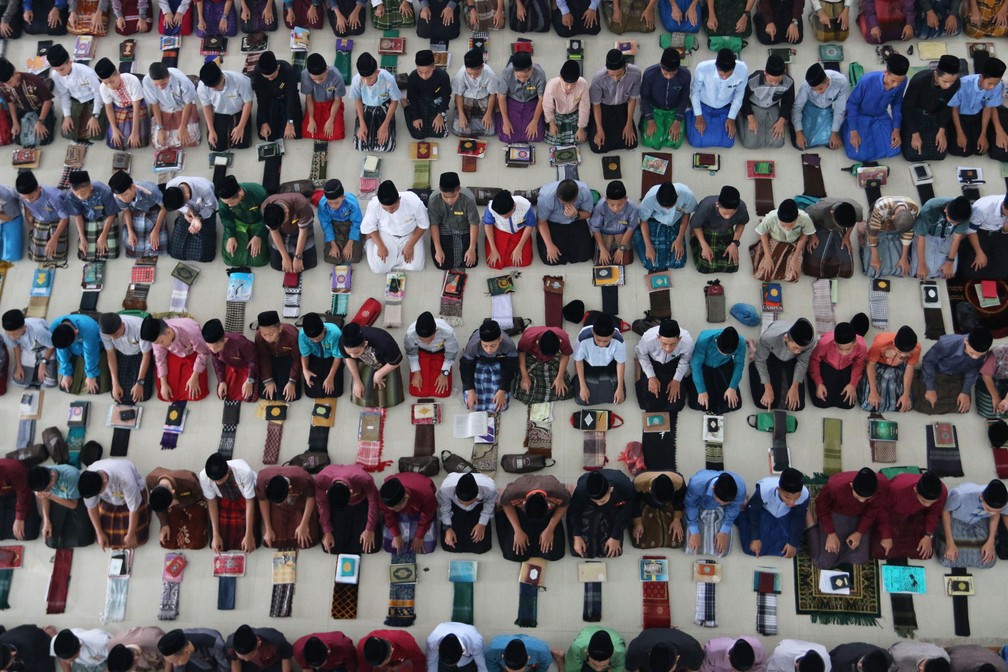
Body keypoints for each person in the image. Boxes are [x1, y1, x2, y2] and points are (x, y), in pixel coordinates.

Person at [806, 467, 889, 569]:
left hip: (860, 516)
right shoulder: (835, 485)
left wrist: (859, 533)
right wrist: (831, 534)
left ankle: (839, 552)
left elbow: (872, 511)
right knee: (823, 563)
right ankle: (808, 517)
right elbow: (822, 507)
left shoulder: (883, 485)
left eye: (867, 499)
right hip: (837, 514)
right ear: (851, 485)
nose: (862, 501)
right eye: (858, 497)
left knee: (861, 559)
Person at [842, 53, 908, 161]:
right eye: (893, 81)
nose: (896, 85)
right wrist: (853, 132)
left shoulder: (903, 81)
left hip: (880, 116)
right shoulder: (867, 81)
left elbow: (897, 103)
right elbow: (852, 104)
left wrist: (896, 129)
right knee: (857, 154)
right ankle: (847, 128)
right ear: (886, 72)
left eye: (899, 81)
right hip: (860, 115)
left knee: (894, 149)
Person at [912, 327, 991, 414]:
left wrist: (965, 392)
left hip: (957, 376)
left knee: (962, 407)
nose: (975, 357)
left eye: (979, 355)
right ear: (966, 341)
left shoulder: (982, 352)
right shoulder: (946, 343)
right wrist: (930, 388)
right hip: (938, 372)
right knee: (925, 403)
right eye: (972, 353)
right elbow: (928, 362)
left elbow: (972, 370)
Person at [871, 470, 945, 560]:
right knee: (880, 551)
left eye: (931, 502)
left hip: (917, 515)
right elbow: (882, 509)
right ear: (915, 490)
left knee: (924, 553)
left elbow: (934, 513)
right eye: (923, 501)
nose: (927, 505)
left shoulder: (942, 492)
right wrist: (885, 534)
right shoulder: (897, 489)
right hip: (892, 514)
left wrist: (928, 536)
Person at [79, 458, 151, 550]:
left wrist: (131, 534)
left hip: (133, 494)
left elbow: (133, 508)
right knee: (103, 538)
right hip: (110, 499)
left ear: (104, 481)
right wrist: (99, 533)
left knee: (138, 538)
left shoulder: (124, 478)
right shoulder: (88, 479)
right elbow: (91, 507)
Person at [737, 467, 808, 558]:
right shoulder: (765, 489)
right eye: (787, 497)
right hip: (765, 511)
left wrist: (792, 543)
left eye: (796, 498)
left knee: (790, 549)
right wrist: (755, 538)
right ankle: (743, 510)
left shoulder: (805, 495)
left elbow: (798, 517)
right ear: (778, 489)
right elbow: (753, 511)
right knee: (750, 547)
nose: (792, 502)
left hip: (786, 514)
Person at [360, 180, 430, 273]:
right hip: (387, 234)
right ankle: (370, 242)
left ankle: (394, 260)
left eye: (393, 208)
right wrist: (380, 245)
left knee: (417, 267)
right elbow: (368, 227)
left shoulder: (413, 202)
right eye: (385, 208)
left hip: (410, 233)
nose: (389, 211)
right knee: (378, 269)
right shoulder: (374, 205)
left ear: (399, 199)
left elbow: (423, 224)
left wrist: (410, 245)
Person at [496, 473, 569, 561]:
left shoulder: (560, 493)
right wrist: (517, 530)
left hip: (546, 515)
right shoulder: (512, 492)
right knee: (514, 554)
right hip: (521, 513)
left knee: (554, 554)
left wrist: (550, 529)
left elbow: (564, 505)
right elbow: (506, 505)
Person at [901, 55, 960, 161]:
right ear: (936, 74)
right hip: (916, 114)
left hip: (934, 114)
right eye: (945, 81)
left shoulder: (955, 84)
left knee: (940, 153)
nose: (948, 86)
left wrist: (942, 130)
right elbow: (907, 108)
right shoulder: (919, 81)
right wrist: (914, 133)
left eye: (952, 82)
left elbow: (946, 107)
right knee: (912, 154)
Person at [938, 479, 1008, 568]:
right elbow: (945, 511)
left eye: (997, 511)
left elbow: (995, 515)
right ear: (981, 497)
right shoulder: (961, 496)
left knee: (988, 561)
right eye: (989, 510)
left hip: (979, 520)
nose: (992, 513)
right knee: (947, 560)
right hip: (956, 519)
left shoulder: (1004, 498)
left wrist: (991, 541)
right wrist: (949, 543)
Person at [749, 318, 816, 411]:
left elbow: (802, 362)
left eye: (801, 349)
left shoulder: (810, 342)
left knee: (797, 406)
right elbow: (760, 361)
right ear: (786, 338)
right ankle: (754, 350)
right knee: (762, 402)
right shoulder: (768, 338)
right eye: (795, 347)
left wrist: (794, 386)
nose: (798, 352)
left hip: (791, 360)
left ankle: (756, 351)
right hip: (771, 355)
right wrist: (768, 388)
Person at [686, 49, 748, 148]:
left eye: (728, 75)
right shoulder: (703, 68)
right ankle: (689, 111)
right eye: (721, 74)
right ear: (716, 66)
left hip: (725, 106)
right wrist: (698, 115)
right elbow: (695, 92)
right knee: (696, 141)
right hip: (703, 104)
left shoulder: (742, 70)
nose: (724, 77)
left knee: (728, 142)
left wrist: (731, 118)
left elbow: (739, 94)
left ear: (734, 68)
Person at [140, 316, 211, 402]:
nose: (160, 345)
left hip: (193, 352)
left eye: (161, 342)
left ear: (169, 332)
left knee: (196, 392)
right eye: (157, 343)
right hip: (173, 353)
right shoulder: (158, 340)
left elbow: (204, 352)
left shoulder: (191, 332)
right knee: (165, 392)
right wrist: (164, 383)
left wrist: (194, 377)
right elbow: (160, 359)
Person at [315, 463, 381, 554]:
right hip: (337, 504)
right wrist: (327, 531)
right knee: (332, 546)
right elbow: (322, 505)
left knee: (371, 545)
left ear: (351, 491)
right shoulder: (321, 480)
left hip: (361, 501)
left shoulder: (364, 479)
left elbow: (374, 503)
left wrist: (370, 529)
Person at [46, 44, 106, 143]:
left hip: (92, 100)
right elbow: (64, 95)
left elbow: (98, 94)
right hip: (75, 100)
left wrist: (95, 116)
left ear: (70, 62)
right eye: (56, 70)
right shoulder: (55, 74)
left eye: (61, 69)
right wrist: (67, 116)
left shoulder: (87, 73)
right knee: (67, 133)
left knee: (96, 135)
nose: (60, 73)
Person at [567, 469, 634, 558]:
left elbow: (624, 513)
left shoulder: (624, 488)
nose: (599, 504)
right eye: (595, 501)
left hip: (617, 486)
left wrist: (615, 537)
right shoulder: (581, 490)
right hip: (586, 486)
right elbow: (574, 512)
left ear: (611, 489)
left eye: (602, 501)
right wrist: (576, 536)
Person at [948, 58, 1007, 157]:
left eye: (995, 84)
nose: (992, 87)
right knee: (959, 150)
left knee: (980, 150)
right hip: (960, 115)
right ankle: (962, 68)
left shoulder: (997, 86)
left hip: (978, 114)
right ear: (981, 77)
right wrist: (960, 133)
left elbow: (988, 108)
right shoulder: (962, 84)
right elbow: (954, 109)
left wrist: (983, 134)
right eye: (990, 83)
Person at [200, 454, 258, 553]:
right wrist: (215, 534)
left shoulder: (244, 472)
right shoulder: (204, 476)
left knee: (253, 538)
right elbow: (212, 502)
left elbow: (249, 501)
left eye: (220, 479)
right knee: (220, 540)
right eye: (215, 480)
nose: (217, 483)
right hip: (224, 499)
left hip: (244, 497)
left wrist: (249, 534)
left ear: (228, 471)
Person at [634, 182, 698, 272]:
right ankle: (637, 233)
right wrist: (648, 246)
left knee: (678, 262)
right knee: (651, 264)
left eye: (670, 206)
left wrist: (679, 239)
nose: (667, 209)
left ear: (678, 196)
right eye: (663, 207)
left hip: (676, 220)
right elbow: (643, 220)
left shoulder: (687, 195)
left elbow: (686, 213)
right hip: (654, 220)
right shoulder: (650, 198)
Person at [28, 463, 96, 548]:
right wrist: (46, 521)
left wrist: (50, 495)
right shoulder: (40, 480)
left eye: (49, 488)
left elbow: (73, 504)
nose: (48, 490)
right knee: (51, 541)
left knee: (85, 538)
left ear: (52, 476)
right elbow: (44, 497)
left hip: (77, 500)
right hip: (57, 498)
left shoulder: (71, 476)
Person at [588, 49, 642, 154]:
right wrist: (599, 129)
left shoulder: (635, 74)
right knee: (597, 146)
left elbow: (632, 99)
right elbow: (596, 105)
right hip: (604, 107)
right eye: (611, 75)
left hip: (623, 106)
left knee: (631, 143)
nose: (615, 78)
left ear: (625, 66)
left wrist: (629, 124)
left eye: (619, 74)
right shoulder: (598, 78)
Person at [340, 323, 405, 408]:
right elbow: (348, 358)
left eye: (356, 352)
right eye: (349, 352)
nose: (353, 356)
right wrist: (357, 381)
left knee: (391, 397)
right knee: (361, 397)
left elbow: (396, 361)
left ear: (365, 343)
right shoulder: (342, 342)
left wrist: (379, 374)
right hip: (364, 361)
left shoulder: (384, 342)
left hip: (385, 362)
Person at [634, 320, 693, 412]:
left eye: (673, 344)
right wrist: (651, 376)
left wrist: (676, 379)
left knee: (676, 405)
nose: (668, 348)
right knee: (647, 404)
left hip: (673, 362)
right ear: (658, 337)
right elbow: (641, 355)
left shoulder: (687, 341)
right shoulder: (647, 339)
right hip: (653, 361)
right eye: (664, 343)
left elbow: (685, 360)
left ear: (679, 339)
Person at [108, 168, 168, 259]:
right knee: (132, 246)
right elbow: (126, 211)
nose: (123, 198)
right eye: (120, 196)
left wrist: (156, 230)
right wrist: (130, 231)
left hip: (154, 208)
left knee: (159, 245)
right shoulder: (117, 196)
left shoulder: (150, 190)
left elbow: (164, 208)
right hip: (135, 209)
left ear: (133, 187)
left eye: (125, 195)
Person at [750, 198, 815, 282]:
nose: (787, 228)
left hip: (794, 243)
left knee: (793, 276)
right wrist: (768, 257)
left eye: (791, 225)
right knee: (762, 274)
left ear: (798, 216)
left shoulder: (804, 218)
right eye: (783, 225)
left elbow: (804, 235)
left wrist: (795, 258)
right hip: (775, 240)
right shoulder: (771, 217)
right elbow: (762, 234)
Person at [684, 469, 746, 556]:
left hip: (724, 504)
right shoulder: (696, 484)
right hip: (701, 500)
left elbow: (734, 508)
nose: (722, 504)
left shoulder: (740, 488)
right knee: (690, 547)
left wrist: (724, 531)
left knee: (722, 551)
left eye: (726, 503)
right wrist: (694, 532)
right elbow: (690, 505)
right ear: (713, 488)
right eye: (721, 501)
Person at [256, 465, 320, 549]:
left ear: (290, 489)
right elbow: (263, 500)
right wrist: (268, 528)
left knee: (307, 538)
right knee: (272, 538)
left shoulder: (303, 479)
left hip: (299, 499)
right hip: (278, 500)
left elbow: (311, 498)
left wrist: (304, 525)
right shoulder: (262, 480)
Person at [460, 319, 517, 412]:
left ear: (500, 339)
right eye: (485, 345)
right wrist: (470, 389)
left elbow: (510, 368)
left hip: (499, 362)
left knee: (500, 404)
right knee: (473, 403)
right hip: (479, 361)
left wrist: (502, 389)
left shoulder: (508, 345)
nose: (489, 350)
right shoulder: (473, 345)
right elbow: (466, 367)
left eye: (493, 346)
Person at [639, 48, 691, 150]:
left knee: (675, 142)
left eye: (673, 73)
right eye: (665, 73)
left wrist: (677, 121)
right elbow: (644, 97)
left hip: (674, 109)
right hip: (654, 109)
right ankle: (643, 122)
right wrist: (650, 120)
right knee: (651, 140)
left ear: (678, 68)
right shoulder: (649, 74)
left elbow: (684, 98)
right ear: (660, 65)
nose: (668, 76)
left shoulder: (685, 75)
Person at [910, 195, 973, 279]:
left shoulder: (966, 212)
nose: (954, 225)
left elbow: (956, 238)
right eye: (952, 221)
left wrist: (950, 262)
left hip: (948, 236)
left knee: (950, 272)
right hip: (928, 235)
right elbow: (921, 237)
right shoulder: (930, 208)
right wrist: (922, 265)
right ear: (946, 210)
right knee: (916, 271)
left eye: (957, 223)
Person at [858, 326, 920, 412]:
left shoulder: (916, 348)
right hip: (879, 363)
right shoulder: (880, 343)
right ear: (894, 344)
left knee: (904, 405)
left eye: (907, 354)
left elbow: (909, 368)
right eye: (899, 352)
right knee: (869, 404)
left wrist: (906, 395)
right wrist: (873, 391)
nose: (902, 356)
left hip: (898, 367)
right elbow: (871, 364)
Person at [738, 54, 793, 149]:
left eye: (778, 80)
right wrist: (750, 117)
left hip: (773, 107)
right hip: (753, 106)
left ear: (783, 73)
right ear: (765, 72)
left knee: (778, 143)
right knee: (750, 144)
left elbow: (788, 102)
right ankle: (739, 118)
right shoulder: (752, 81)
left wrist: (781, 120)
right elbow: (742, 99)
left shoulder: (789, 82)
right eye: (771, 80)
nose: (774, 84)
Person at [15, 171, 72, 263]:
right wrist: (29, 219)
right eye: (25, 198)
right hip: (40, 218)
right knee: (36, 256)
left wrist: (54, 238)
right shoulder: (22, 196)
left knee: (57, 254)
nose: (29, 201)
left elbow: (65, 218)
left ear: (39, 189)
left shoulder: (53, 197)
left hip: (57, 219)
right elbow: (26, 206)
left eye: (32, 197)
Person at [147, 466, 209, 550]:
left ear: (173, 492)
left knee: (198, 539)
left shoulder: (189, 481)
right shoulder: (150, 480)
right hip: (172, 500)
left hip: (190, 498)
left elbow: (199, 496)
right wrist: (164, 524)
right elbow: (158, 505)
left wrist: (179, 502)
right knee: (168, 541)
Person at [807, 322, 867, 409]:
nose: (844, 352)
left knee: (848, 404)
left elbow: (859, 365)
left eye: (848, 349)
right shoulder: (824, 343)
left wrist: (852, 384)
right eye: (840, 349)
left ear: (855, 343)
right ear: (835, 343)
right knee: (821, 402)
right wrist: (818, 383)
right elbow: (814, 361)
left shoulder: (861, 346)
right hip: (827, 364)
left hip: (847, 366)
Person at [143, 61, 201, 150]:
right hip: (164, 106)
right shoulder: (146, 82)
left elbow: (187, 103)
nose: (160, 87)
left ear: (169, 76)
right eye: (156, 84)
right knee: (159, 144)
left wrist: (182, 127)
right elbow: (154, 104)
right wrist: (160, 128)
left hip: (183, 105)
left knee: (192, 139)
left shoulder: (181, 81)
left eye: (163, 83)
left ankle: (193, 81)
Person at [687, 327, 745, 414]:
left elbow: (739, 365)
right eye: (721, 351)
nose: (724, 354)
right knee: (697, 403)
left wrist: (732, 387)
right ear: (716, 341)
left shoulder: (741, 343)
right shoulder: (704, 340)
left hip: (724, 363)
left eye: (727, 353)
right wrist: (701, 391)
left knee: (733, 404)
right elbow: (696, 365)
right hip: (705, 363)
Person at [535, 178, 594, 265]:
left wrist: (576, 214)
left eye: (572, 201)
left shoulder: (584, 192)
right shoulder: (546, 198)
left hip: (576, 219)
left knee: (586, 255)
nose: (568, 205)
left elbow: (588, 214)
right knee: (550, 259)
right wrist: (549, 245)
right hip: (553, 222)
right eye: (564, 202)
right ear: (558, 196)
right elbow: (541, 222)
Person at [690, 186, 748, 274]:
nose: (728, 217)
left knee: (732, 266)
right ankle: (694, 238)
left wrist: (734, 244)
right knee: (704, 267)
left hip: (726, 230)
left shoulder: (741, 207)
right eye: (725, 213)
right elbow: (695, 225)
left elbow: (742, 223)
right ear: (718, 205)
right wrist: (704, 245)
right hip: (707, 228)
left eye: (732, 214)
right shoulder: (706, 205)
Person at [197, 61, 254, 151]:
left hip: (239, 110)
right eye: (212, 88)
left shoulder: (240, 80)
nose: (216, 89)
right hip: (219, 112)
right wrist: (211, 130)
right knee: (216, 146)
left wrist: (241, 127)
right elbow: (207, 107)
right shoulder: (202, 87)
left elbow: (248, 102)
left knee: (242, 143)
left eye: (217, 86)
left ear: (222, 77)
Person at [791, 63, 849, 150]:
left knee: (831, 140)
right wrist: (799, 133)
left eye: (820, 89)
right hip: (810, 105)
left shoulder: (841, 83)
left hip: (827, 107)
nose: (817, 92)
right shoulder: (806, 86)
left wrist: (834, 133)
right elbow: (796, 108)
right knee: (804, 141)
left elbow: (840, 109)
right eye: (814, 90)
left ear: (828, 81)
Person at [66, 170, 121, 261]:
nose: (80, 197)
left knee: (112, 253)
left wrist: (103, 236)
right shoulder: (70, 196)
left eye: (83, 193)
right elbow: (78, 215)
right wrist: (82, 238)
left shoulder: (105, 192)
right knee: (85, 254)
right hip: (86, 217)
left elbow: (112, 214)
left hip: (105, 216)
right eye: (77, 194)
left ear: (90, 187)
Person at [216, 175, 270, 267]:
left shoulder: (259, 193)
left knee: (259, 260)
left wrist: (258, 235)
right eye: (227, 204)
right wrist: (230, 236)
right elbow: (225, 217)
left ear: (240, 193)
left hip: (258, 222)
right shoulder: (225, 199)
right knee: (231, 259)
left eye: (232, 203)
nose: (230, 206)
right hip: (238, 222)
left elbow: (268, 216)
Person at [95, 58, 149, 149]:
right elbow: (108, 108)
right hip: (119, 107)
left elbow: (137, 106)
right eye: (106, 83)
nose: (110, 86)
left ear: (118, 74)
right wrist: (114, 129)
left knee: (140, 139)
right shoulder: (103, 88)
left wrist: (135, 133)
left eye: (112, 81)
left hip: (136, 106)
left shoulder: (132, 80)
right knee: (115, 142)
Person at [429, 172, 479, 270]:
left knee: (470, 263)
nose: (449, 201)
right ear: (440, 191)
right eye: (445, 197)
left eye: (453, 196)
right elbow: (434, 225)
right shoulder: (433, 199)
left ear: (459, 190)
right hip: (444, 228)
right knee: (443, 265)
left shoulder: (468, 199)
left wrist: (471, 248)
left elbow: (474, 224)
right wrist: (438, 249)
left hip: (464, 228)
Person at [100, 312, 154, 404]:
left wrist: (139, 382)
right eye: (111, 336)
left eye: (116, 335)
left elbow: (146, 355)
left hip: (140, 354)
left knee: (142, 394)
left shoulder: (139, 328)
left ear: (122, 325)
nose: (114, 338)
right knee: (118, 395)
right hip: (122, 353)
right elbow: (111, 353)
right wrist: (115, 383)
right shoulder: (104, 331)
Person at [858, 196, 918, 278]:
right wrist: (875, 257)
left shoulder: (913, 209)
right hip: (877, 230)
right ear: (892, 217)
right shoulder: (881, 208)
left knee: (901, 270)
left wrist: (904, 258)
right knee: (871, 271)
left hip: (896, 233)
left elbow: (908, 234)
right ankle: (862, 231)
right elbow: (872, 234)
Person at [0, 58, 55, 146]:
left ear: (15, 73)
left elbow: (47, 100)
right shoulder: (3, 86)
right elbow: (10, 102)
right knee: (17, 140)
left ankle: (45, 86)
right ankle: (46, 86)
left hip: (40, 107)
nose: (8, 86)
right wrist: (15, 122)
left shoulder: (32, 80)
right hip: (22, 108)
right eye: (5, 84)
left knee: (45, 139)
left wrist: (40, 122)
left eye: (9, 82)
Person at [573, 314, 626, 405]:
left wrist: (620, 388)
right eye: (598, 340)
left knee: (618, 397)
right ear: (593, 332)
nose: (601, 344)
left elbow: (620, 363)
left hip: (609, 364)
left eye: (606, 341)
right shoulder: (583, 338)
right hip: (588, 363)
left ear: (612, 334)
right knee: (582, 399)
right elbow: (578, 361)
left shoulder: (619, 340)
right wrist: (582, 386)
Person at [162, 175, 218, 262]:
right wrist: (186, 210)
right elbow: (179, 207)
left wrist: (199, 217)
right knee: (176, 251)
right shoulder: (170, 186)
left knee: (206, 253)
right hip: (188, 211)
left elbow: (212, 207)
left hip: (205, 208)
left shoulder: (205, 189)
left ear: (187, 196)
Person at [378, 473, 437, 554]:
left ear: (406, 497)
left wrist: (419, 536)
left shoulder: (426, 495)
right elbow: (388, 514)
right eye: (393, 509)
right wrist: (396, 535)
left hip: (421, 492)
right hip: (402, 485)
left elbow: (428, 514)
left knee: (428, 546)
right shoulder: (384, 497)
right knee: (391, 546)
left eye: (398, 508)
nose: (396, 511)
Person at [438, 472, 497, 554]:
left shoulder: (489, 488)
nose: (466, 505)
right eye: (462, 502)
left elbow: (489, 505)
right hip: (455, 505)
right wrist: (447, 528)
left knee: (481, 546)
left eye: (469, 502)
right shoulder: (446, 489)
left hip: (477, 506)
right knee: (449, 544)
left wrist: (482, 524)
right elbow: (444, 509)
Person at [201, 319, 258, 402]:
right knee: (226, 393)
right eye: (210, 347)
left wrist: (249, 380)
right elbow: (217, 364)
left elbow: (253, 361)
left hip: (248, 365)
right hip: (232, 365)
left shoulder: (241, 343)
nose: (213, 351)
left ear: (223, 339)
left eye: (217, 347)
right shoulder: (213, 349)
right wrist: (221, 381)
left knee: (248, 395)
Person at [494, 52, 546, 144]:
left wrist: (534, 121)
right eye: (518, 77)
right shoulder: (506, 73)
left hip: (532, 101)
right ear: (514, 70)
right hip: (512, 100)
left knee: (537, 135)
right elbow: (501, 98)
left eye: (526, 76)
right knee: (506, 136)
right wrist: (505, 120)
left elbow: (541, 99)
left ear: (531, 69)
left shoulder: (540, 74)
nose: (522, 80)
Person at [404, 311, 458, 398]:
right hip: (422, 352)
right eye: (421, 340)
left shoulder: (448, 333)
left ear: (436, 331)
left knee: (443, 392)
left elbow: (451, 354)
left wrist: (444, 374)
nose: (426, 343)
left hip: (441, 352)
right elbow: (411, 353)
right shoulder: (410, 334)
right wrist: (416, 372)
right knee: (417, 391)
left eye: (429, 340)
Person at [51, 313, 109, 394]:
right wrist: (66, 373)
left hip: (95, 345)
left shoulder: (88, 329)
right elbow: (61, 350)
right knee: (65, 385)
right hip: (75, 349)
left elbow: (91, 353)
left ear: (76, 332)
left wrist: (91, 375)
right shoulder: (54, 326)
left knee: (98, 386)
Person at [251, 51, 302, 142]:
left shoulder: (287, 70)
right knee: (267, 135)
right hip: (270, 99)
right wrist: (264, 122)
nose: (270, 79)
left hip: (286, 98)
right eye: (267, 77)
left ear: (278, 67)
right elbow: (261, 98)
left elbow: (292, 96)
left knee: (296, 132)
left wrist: (290, 122)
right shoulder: (257, 73)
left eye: (272, 76)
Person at [514, 325, 572, 404]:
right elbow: (521, 353)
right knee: (524, 392)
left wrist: (560, 377)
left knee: (563, 391)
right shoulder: (528, 337)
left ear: (560, 341)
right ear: (537, 343)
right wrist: (524, 376)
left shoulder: (563, 337)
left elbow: (565, 354)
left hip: (553, 359)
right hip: (532, 357)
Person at [803, 198, 860, 278]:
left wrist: (847, 236)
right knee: (812, 267)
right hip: (820, 227)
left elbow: (852, 222)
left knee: (846, 270)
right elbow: (807, 222)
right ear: (832, 213)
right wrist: (812, 236)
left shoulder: (856, 209)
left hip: (839, 232)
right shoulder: (816, 210)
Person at [262, 191, 318, 272]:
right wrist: (285, 257)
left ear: (286, 211)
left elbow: (303, 231)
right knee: (276, 264)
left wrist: (298, 256)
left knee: (310, 263)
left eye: (282, 222)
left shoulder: (301, 203)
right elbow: (274, 231)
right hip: (281, 231)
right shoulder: (265, 207)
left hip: (301, 227)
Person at [630, 471, 685, 549]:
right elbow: (634, 502)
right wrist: (637, 523)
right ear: (649, 489)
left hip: (667, 499)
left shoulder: (679, 482)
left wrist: (677, 519)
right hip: (646, 498)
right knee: (642, 538)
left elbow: (680, 498)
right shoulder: (638, 483)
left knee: (675, 537)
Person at [405, 50, 452, 140]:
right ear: (416, 68)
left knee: (440, 132)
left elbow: (446, 96)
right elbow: (412, 98)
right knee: (418, 134)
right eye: (420, 72)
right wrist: (416, 117)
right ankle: (405, 107)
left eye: (427, 72)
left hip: (436, 101)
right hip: (420, 101)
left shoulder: (443, 76)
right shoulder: (413, 77)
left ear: (434, 67)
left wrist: (440, 115)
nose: (424, 76)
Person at [959, 194, 1008, 279]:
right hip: (980, 232)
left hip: (998, 232)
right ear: (1004, 205)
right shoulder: (983, 208)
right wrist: (979, 253)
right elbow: (970, 230)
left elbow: (1004, 231)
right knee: (972, 269)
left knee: (1005, 270)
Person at [483, 190, 535, 270]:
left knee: (525, 261)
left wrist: (519, 248)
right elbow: (488, 225)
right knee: (494, 263)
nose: (503, 217)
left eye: (506, 215)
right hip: (500, 230)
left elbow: (530, 225)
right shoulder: (491, 207)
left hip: (520, 231)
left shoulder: (525, 206)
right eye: (501, 215)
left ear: (514, 206)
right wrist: (493, 249)